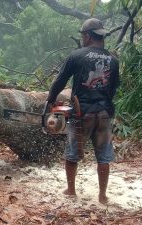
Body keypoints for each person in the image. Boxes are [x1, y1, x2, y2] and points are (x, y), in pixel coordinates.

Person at [45, 18, 120, 204]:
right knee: (103, 156)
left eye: (83, 36)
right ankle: (102, 196)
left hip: (81, 112)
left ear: (87, 36)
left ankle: (71, 190)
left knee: (72, 153)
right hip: (103, 113)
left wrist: (50, 100)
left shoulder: (77, 56)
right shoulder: (113, 60)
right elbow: (113, 88)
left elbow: (60, 80)